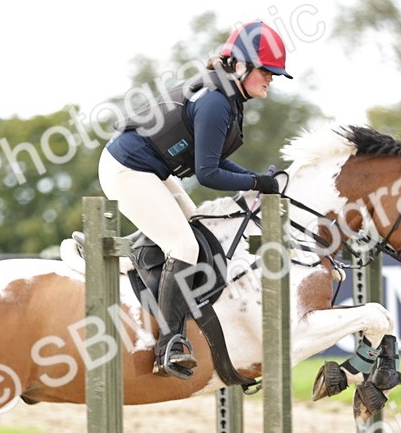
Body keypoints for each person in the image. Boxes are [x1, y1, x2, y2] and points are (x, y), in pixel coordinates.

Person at [100, 20, 292, 379]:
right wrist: (255, 181)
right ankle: (170, 345)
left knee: (196, 230)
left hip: (151, 170)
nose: (271, 79)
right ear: (239, 65)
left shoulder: (228, 98)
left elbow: (216, 161)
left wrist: (255, 181)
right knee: (185, 247)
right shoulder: (217, 102)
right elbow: (207, 174)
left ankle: (134, 254)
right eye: (266, 71)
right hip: (127, 169)